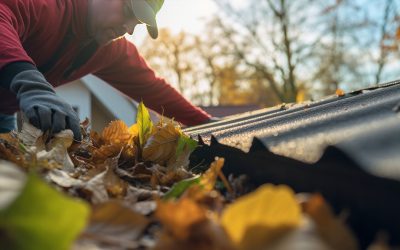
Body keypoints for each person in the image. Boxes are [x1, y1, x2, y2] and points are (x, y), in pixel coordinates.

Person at [0, 0, 212, 140]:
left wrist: (207, 122)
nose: (129, 29)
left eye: (137, 24)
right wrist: (31, 84)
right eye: (129, 12)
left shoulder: (111, 50)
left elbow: (153, 89)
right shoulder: (47, 5)